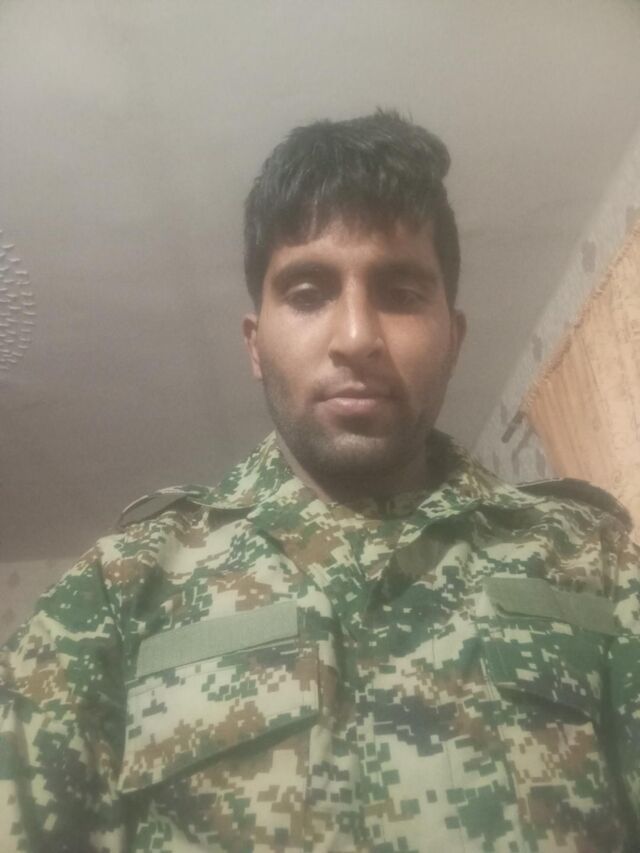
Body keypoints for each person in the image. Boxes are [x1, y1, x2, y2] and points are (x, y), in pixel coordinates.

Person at [1, 110, 639, 853]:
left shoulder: (590, 562)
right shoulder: (119, 593)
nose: (357, 337)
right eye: (308, 292)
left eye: (401, 292)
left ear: (454, 338)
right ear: (255, 345)